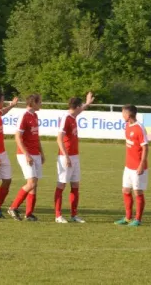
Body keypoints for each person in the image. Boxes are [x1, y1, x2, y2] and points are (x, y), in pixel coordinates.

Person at [54, 92, 94, 224]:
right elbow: (59, 139)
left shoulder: (73, 116)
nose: (81, 108)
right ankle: (58, 215)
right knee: (61, 184)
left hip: (75, 156)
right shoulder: (66, 118)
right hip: (66, 156)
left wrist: (88, 103)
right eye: (80, 105)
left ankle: (73, 215)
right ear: (76, 106)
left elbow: (80, 110)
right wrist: (66, 156)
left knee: (75, 184)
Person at [7, 94, 45, 222]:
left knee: (34, 185)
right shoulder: (24, 115)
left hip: (35, 153)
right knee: (31, 183)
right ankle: (13, 207)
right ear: (33, 102)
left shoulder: (35, 115)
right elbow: (17, 136)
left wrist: (42, 153)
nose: (41, 104)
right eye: (40, 101)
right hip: (26, 154)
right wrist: (26, 154)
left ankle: (29, 214)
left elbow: (36, 136)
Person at [114, 104, 148, 227]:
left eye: (123, 113)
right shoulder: (127, 125)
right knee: (126, 190)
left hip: (138, 167)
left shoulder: (140, 128)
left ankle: (138, 219)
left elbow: (145, 147)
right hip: (128, 166)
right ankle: (128, 218)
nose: (122, 115)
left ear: (128, 115)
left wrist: (141, 164)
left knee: (137, 192)